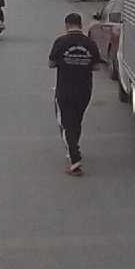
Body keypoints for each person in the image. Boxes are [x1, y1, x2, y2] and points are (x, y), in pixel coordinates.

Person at [48, 12, 104, 176]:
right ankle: (74, 147)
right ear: (80, 25)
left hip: (65, 89)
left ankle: (74, 160)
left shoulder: (60, 42)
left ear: (67, 25)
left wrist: (65, 62)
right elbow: (97, 67)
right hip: (84, 90)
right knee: (76, 121)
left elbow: (51, 63)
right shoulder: (90, 43)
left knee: (66, 124)